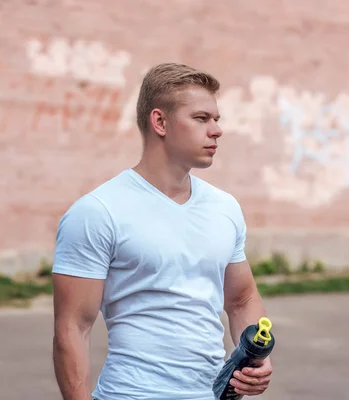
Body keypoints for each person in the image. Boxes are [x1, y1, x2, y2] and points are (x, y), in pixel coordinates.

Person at [51, 62, 273, 400]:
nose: (216, 130)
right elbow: (72, 328)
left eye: (216, 119)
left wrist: (257, 358)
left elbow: (242, 299)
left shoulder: (224, 207)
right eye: (201, 119)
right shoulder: (98, 211)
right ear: (160, 122)